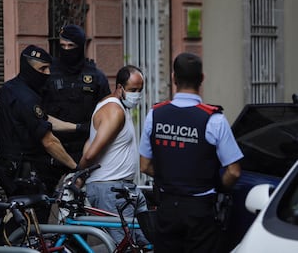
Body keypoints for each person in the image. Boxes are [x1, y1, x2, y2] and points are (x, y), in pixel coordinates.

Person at [139, 52, 243, 253]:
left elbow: (144, 165)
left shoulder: (155, 114)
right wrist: (218, 186)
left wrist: (169, 176)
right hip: (200, 210)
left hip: (166, 207)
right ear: (202, 79)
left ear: (173, 78)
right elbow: (234, 171)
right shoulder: (214, 119)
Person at [0, 45, 77, 223]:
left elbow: (43, 119)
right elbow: (49, 141)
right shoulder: (27, 97)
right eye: (42, 69)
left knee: (17, 220)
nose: (47, 73)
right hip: (23, 174)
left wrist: (76, 127)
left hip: (8, 167)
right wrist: (74, 167)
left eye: (48, 68)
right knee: (34, 225)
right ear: (27, 67)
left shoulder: (10, 88)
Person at [78, 65, 149, 246]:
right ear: (119, 88)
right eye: (133, 90)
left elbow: (89, 141)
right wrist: (78, 176)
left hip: (124, 189)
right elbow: (92, 152)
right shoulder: (114, 111)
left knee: (145, 242)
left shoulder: (119, 108)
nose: (137, 95)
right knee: (124, 246)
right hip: (110, 189)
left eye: (140, 90)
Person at [42, 24, 111, 180]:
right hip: (53, 150)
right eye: (63, 46)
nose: (66, 50)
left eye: (71, 46)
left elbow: (107, 114)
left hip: (87, 151)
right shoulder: (49, 73)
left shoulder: (96, 77)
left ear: (80, 47)